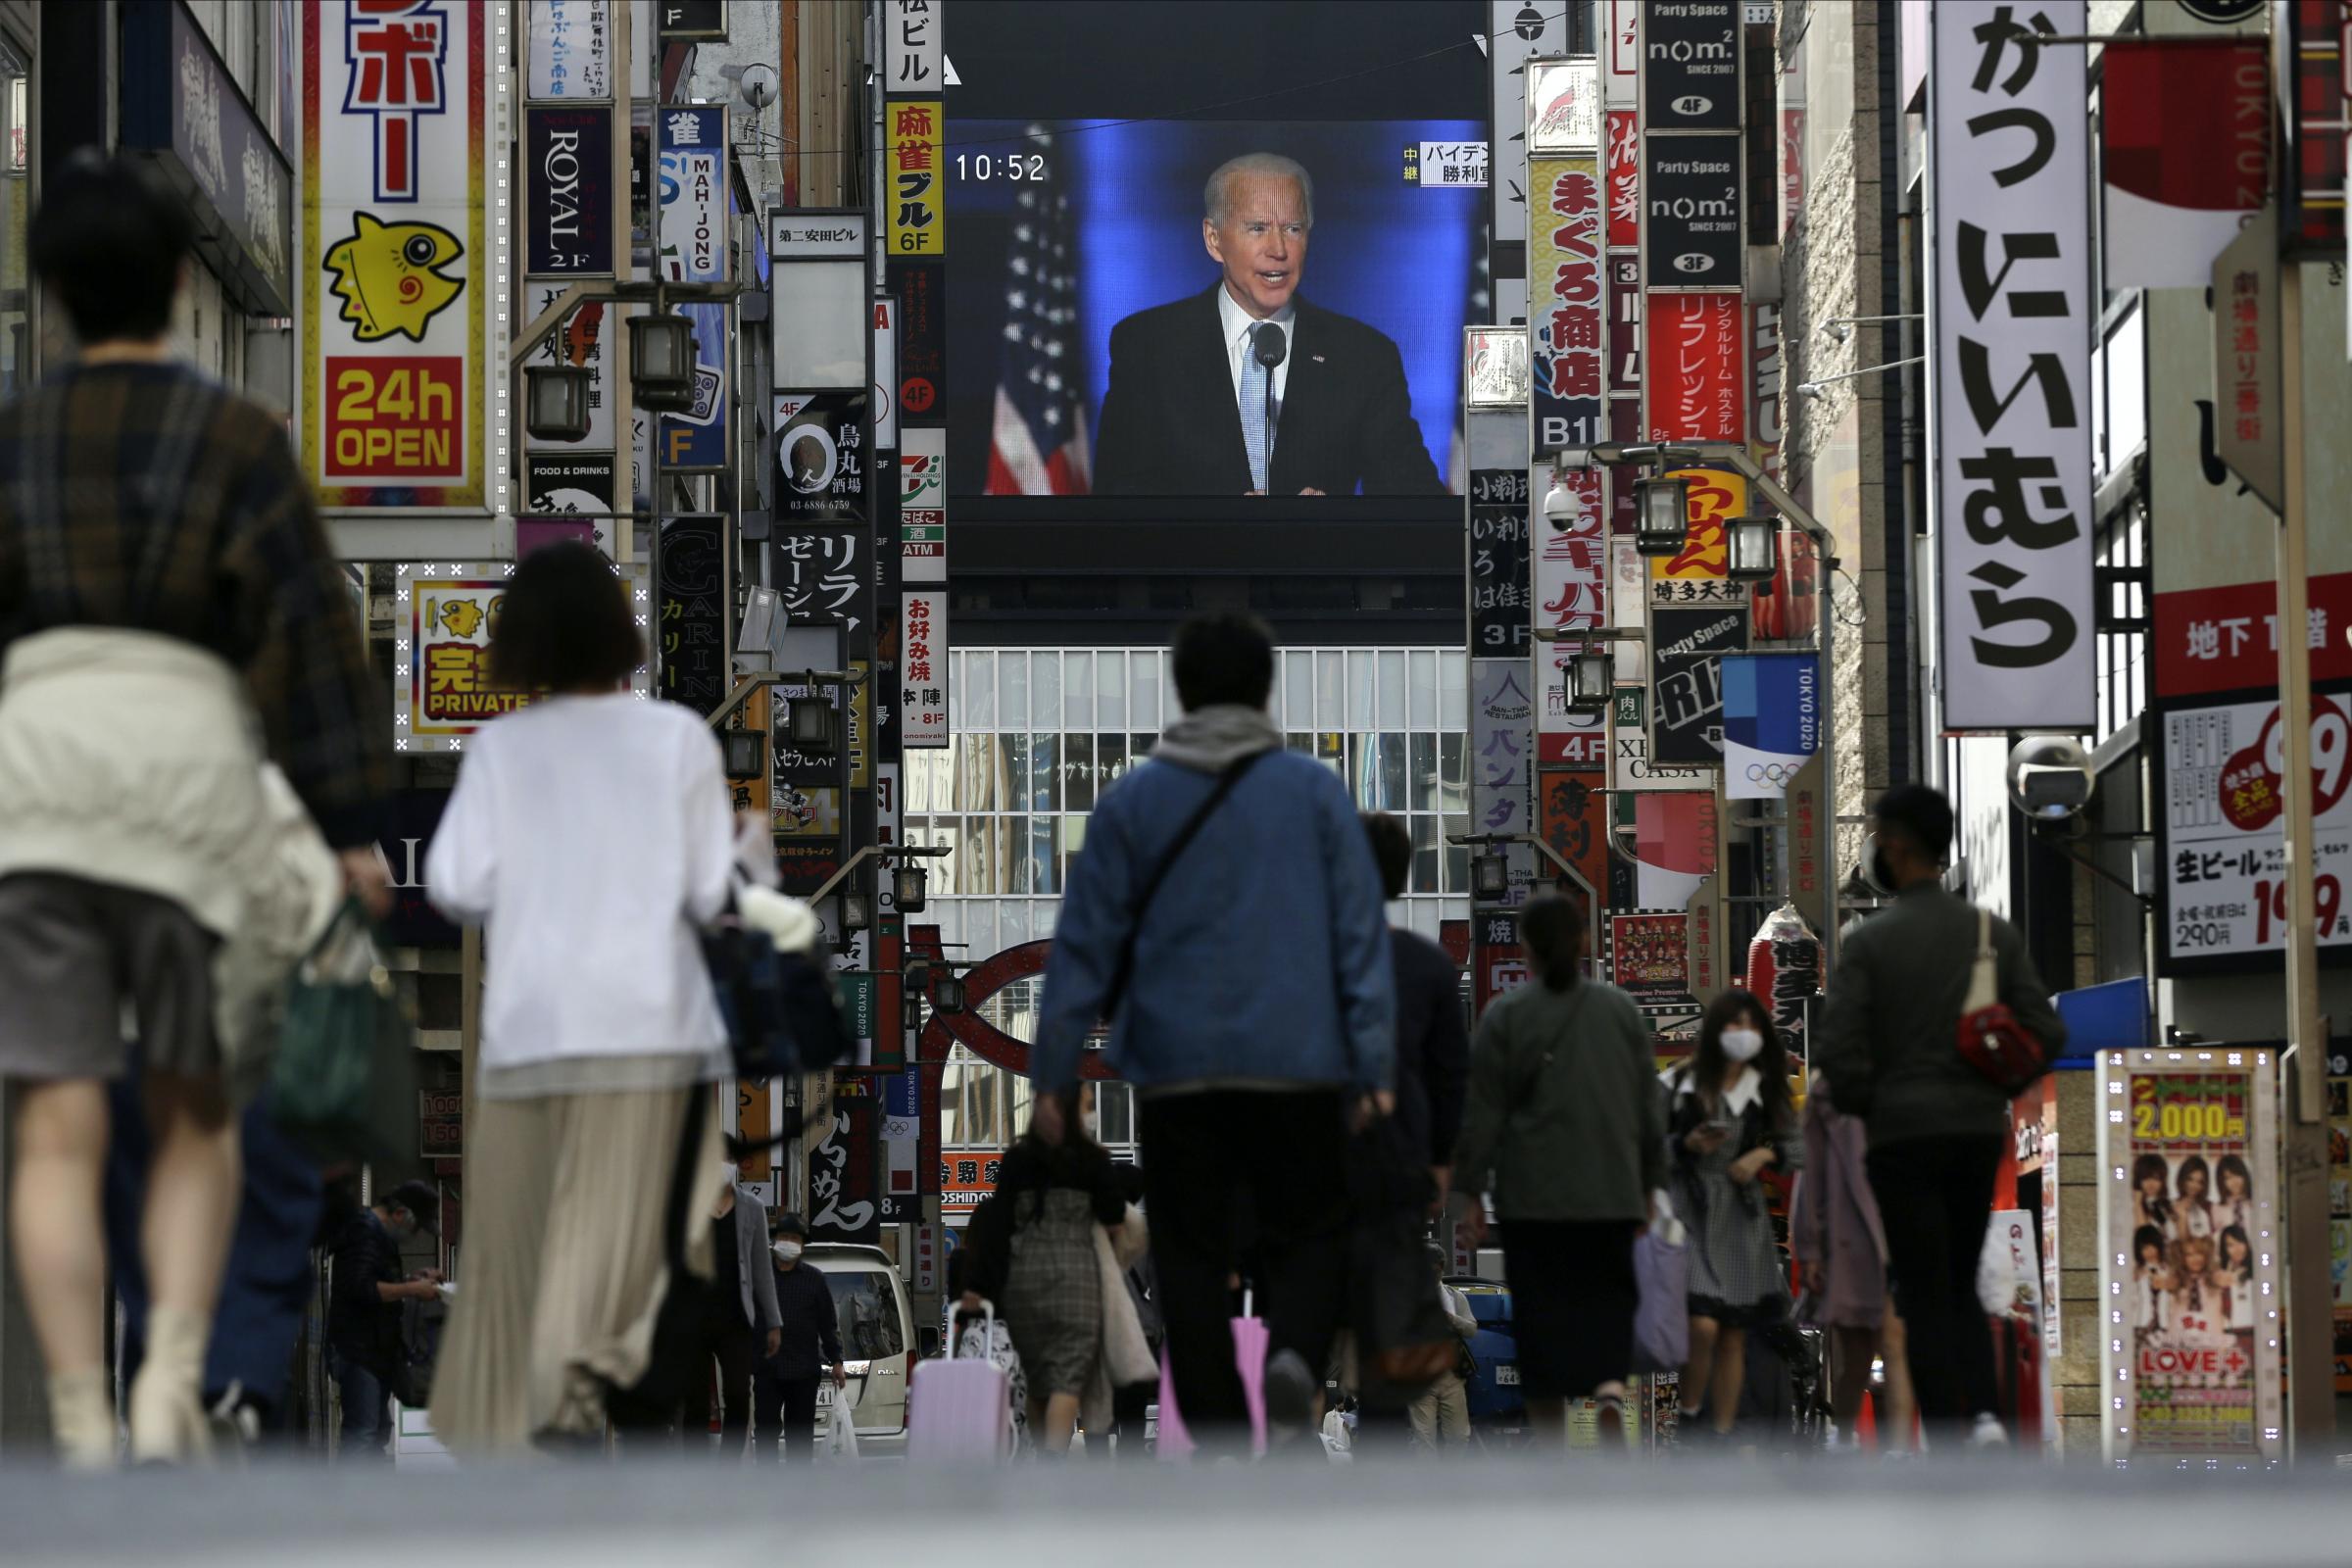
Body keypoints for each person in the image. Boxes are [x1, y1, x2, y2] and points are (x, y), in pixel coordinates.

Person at [0, 156, 390, 1468]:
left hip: (35, 778)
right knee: (196, 1107)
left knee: (56, 1118)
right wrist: (348, 827)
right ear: (182, 280)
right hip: (185, 786)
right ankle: (172, 1380)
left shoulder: (15, 442)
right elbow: (317, 646)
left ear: (47, 291)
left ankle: (75, 1410)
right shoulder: (239, 444)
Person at [1029, 610, 1396, 1451]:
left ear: (1181, 690)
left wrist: (1056, 1077)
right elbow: (1358, 942)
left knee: (1190, 1256)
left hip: (1175, 1070)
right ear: (1264, 690)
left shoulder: (1131, 802)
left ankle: (1225, 1439)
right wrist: (1370, 1065)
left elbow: (1080, 948)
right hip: (1299, 1066)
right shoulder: (1314, 794)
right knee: (1308, 1231)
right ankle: (1297, 1358)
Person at [423, 541, 737, 1453]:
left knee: (527, 1246)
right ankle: (635, 1418)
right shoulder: (676, 738)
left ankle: (553, 1420)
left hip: (531, 1039)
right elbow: (711, 892)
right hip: (651, 1036)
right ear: (619, 635)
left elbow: (453, 884)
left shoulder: (501, 749)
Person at [1816, 784, 2066, 1449]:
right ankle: (1986, 1413)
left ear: (1895, 846)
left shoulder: (1867, 944)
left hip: (1901, 1139)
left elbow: (1838, 1052)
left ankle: (1952, 1433)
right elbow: (2047, 1029)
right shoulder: (1990, 933)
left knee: (1922, 1288)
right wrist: (1998, 1084)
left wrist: (1868, 1103)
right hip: (1976, 1131)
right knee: (1960, 1277)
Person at [1091, 153, 1444, 497]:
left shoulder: (1364, 357)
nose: (1278, 249)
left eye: (1293, 228)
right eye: (1257, 228)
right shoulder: (1147, 346)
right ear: (1214, 240)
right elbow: (1117, 496)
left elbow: (1416, 499)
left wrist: (1339, 522)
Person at [1450, 893, 1664, 1447]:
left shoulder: (1506, 1017)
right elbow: (1648, 1109)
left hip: (1533, 1197)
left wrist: (1469, 1192)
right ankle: (1612, 1391)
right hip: (1611, 1192)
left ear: (1527, 950)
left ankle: (1552, 1439)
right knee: (1609, 1300)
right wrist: (1651, 1186)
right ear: (1584, 942)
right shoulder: (1620, 1012)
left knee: (1542, 1314)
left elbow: (1483, 1115)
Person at [1663, 991, 1802, 1445]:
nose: (1742, 1035)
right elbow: (1640, 1147)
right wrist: (1685, 1146)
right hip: (1689, 1213)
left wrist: (1763, 1153)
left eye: (1751, 1026)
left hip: (1741, 1219)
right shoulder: (1679, 1085)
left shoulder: (1764, 1090)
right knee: (1702, 1323)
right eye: (1733, 1025)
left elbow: (1797, 1147)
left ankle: (1720, 1435)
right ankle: (1688, 1414)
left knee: (1734, 1333)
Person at [960, 1088, 1131, 1455]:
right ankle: (1053, 1460)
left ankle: (1042, 1456)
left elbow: (997, 1227)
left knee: (1037, 1380)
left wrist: (979, 1286)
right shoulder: (1093, 1160)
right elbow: (1115, 1217)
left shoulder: (1017, 1160)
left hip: (1026, 1281)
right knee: (1067, 1380)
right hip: (1078, 1283)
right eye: (1086, 1105)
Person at [1793, 1072, 1914, 1455]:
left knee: (1894, 1342)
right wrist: (1810, 1246)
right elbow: (1808, 1174)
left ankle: (1897, 1452)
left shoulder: (1906, 1072)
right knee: (1857, 1353)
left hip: (1898, 1228)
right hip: (1848, 1238)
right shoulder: (1828, 1090)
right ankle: (1845, 1439)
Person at [324, 1181, 443, 1461]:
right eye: (416, 1228)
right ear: (401, 1214)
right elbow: (362, 1288)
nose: (414, 1236)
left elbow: (372, 1283)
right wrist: (412, 1290)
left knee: (376, 1432)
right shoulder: (365, 1232)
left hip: (373, 1349)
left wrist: (410, 1280)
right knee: (363, 1435)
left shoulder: (377, 1236)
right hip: (358, 1350)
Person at [693, 1167, 783, 1456]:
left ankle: (728, 1466)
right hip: (695, 1319)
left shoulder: (751, 1208)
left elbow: (762, 1270)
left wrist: (773, 1322)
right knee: (693, 1398)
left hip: (735, 1319)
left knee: (738, 1395)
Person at [755, 1211, 845, 1463]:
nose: (788, 1242)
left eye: (794, 1238)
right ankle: (766, 1489)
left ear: (803, 1245)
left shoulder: (815, 1280)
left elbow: (828, 1325)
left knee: (800, 1439)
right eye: (784, 1237)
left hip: (804, 1371)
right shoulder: (760, 1277)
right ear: (774, 1241)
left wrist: (836, 1361)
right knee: (765, 1435)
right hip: (767, 1368)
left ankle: (798, 1494)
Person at [1406, 1247, 1478, 1456]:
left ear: (1441, 1267)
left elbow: (1472, 1328)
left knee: (1458, 1436)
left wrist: (1452, 1319)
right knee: (1423, 1438)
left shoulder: (1455, 1298)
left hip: (1451, 1376)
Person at [2211, 1155, 2255, 1239]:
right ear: (2222, 1181)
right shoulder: (2218, 1208)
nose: (2234, 1181)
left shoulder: (2255, 1204)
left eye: (2237, 1175)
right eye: (2228, 1178)